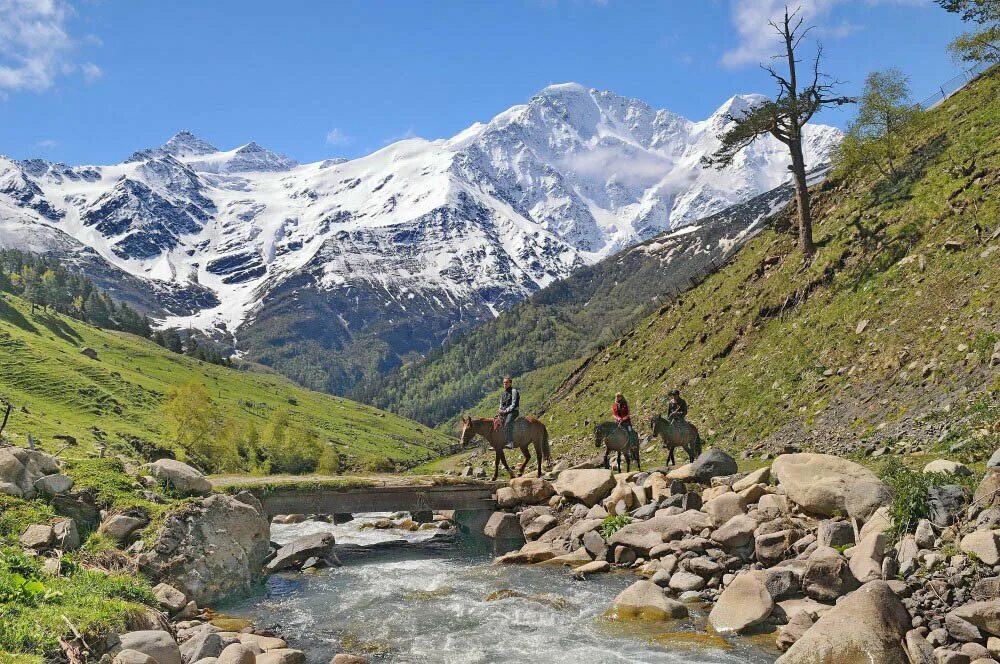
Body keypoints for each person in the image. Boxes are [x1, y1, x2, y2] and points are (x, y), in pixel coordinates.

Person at [497, 376, 520, 449]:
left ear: (510, 383)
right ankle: (497, 443)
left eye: (506, 383)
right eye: (504, 383)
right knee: (495, 423)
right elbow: (500, 405)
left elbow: (514, 404)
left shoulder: (514, 391)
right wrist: (500, 410)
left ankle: (510, 443)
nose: (505, 384)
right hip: (504, 412)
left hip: (513, 412)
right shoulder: (502, 394)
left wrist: (505, 411)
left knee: (508, 422)